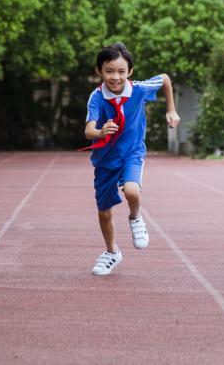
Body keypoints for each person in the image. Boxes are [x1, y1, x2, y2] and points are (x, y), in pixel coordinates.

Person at [82, 43, 179, 276]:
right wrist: (100, 132)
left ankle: (135, 218)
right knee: (104, 213)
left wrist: (171, 110)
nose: (115, 77)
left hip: (132, 153)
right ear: (99, 71)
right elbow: (88, 130)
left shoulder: (138, 90)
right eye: (109, 71)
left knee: (132, 191)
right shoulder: (96, 98)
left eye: (121, 71)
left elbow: (165, 78)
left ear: (130, 72)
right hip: (105, 160)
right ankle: (112, 252)